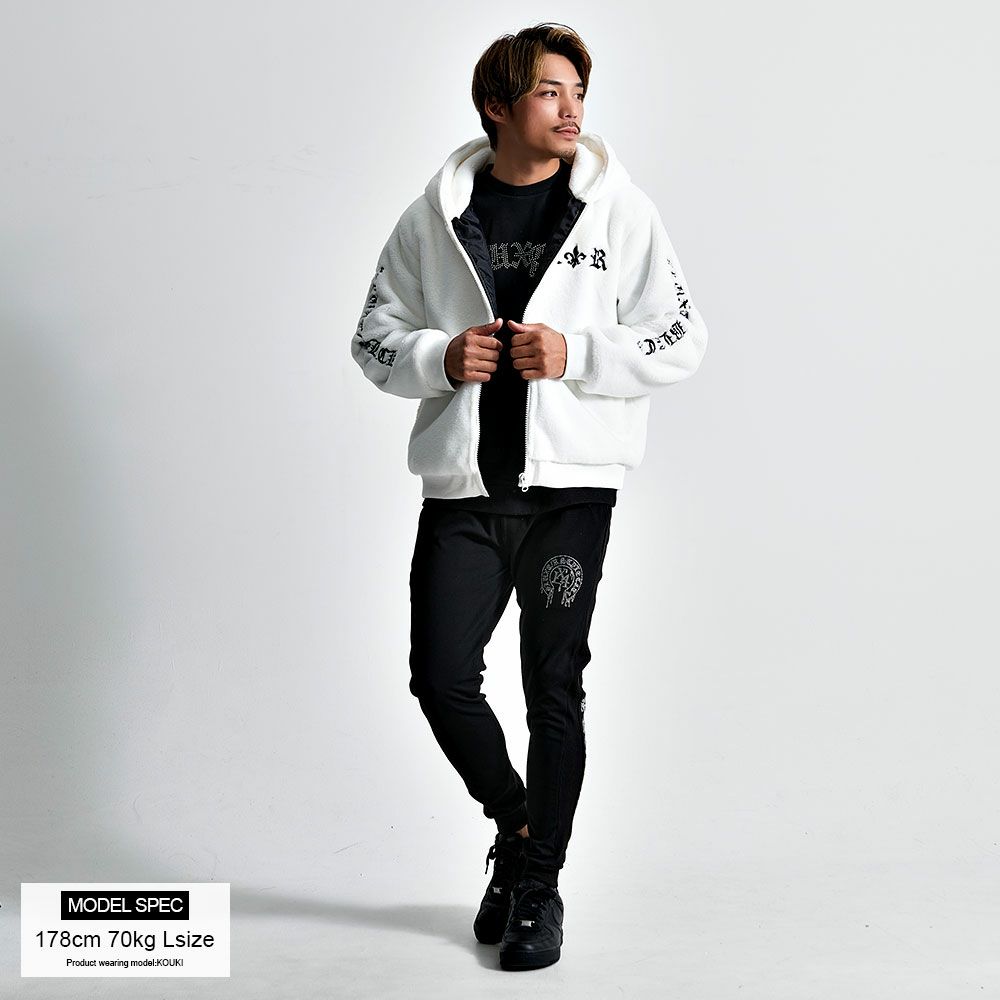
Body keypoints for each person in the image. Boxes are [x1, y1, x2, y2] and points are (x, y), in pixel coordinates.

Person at [351, 22, 708, 971]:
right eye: (551, 92)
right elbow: (372, 334)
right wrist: (437, 356)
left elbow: (681, 339)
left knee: (553, 688)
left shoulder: (618, 213)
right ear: (498, 106)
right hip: (465, 494)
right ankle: (518, 827)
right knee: (439, 678)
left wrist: (577, 353)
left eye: (579, 92)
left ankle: (537, 888)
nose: (572, 110)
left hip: (569, 499)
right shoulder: (433, 218)